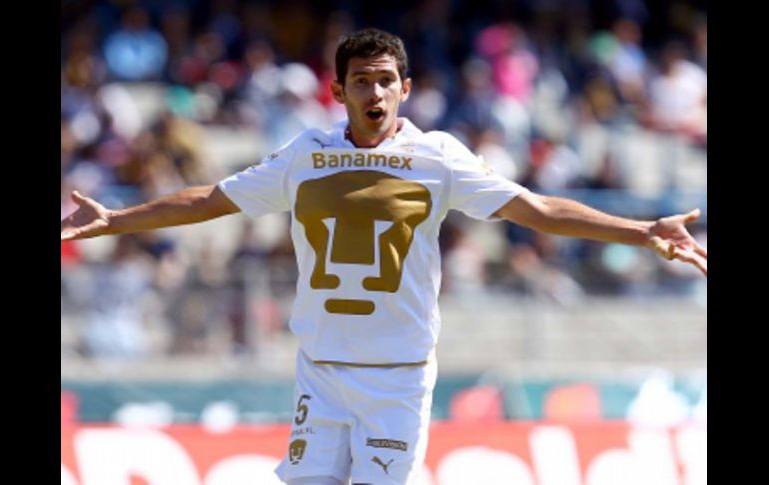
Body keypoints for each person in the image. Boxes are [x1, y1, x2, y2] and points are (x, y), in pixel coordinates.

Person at [61, 28, 707, 485]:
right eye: (361, 81)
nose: (375, 92)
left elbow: (535, 209)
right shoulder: (305, 156)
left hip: (397, 375)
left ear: (406, 88)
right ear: (339, 90)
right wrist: (116, 219)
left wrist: (641, 229)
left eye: (386, 81)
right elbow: (211, 198)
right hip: (320, 367)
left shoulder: (439, 158)